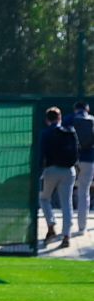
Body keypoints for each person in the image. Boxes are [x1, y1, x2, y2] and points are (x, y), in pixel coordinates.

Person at [39, 107, 78, 248]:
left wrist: (39, 172)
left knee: (44, 198)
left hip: (51, 169)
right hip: (69, 170)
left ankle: (51, 225)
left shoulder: (46, 133)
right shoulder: (70, 131)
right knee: (66, 204)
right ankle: (66, 235)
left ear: (47, 120)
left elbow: (41, 154)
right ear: (60, 118)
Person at [70, 100, 94, 238]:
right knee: (84, 192)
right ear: (87, 109)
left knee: (67, 192)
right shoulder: (92, 120)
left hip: (71, 160)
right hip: (89, 159)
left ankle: (67, 226)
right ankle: (82, 227)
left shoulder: (70, 119)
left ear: (75, 109)